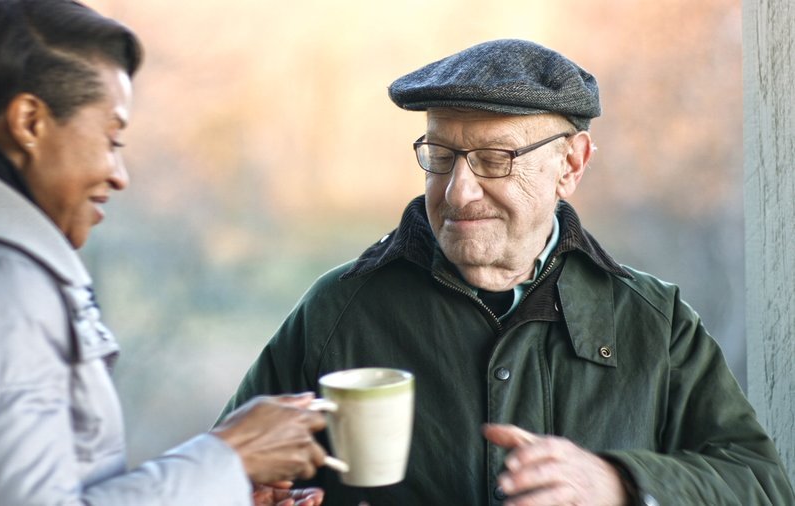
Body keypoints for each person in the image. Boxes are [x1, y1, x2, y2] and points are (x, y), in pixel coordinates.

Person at [221, 39, 795, 505]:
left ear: (570, 164)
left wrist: (618, 484)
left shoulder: (655, 320)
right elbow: (227, 466)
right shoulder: (339, 308)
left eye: (495, 160)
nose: (457, 191)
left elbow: (761, 485)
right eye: (441, 156)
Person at [0, 1, 329, 504]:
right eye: (112, 137)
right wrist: (232, 455)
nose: (118, 174)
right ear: (30, 121)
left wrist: (220, 487)